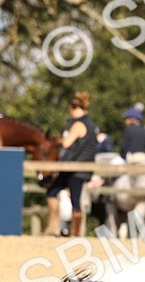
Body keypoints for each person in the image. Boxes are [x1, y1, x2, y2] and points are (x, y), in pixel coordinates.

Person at [44, 91, 100, 237]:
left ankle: (70, 232)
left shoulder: (78, 124)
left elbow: (68, 143)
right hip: (77, 167)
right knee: (55, 192)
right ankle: (57, 229)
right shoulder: (89, 124)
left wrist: (56, 141)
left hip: (76, 168)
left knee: (67, 197)